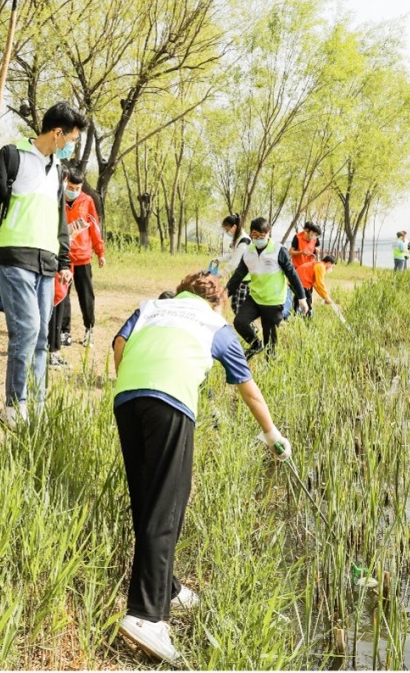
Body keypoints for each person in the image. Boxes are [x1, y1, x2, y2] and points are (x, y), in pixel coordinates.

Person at [111, 271, 291, 665]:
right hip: (170, 401)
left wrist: (129, 379)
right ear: (219, 302)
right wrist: (272, 435)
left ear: (182, 293)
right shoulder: (216, 324)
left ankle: (168, 588)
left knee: (147, 498)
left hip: (127, 399)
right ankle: (145, 616)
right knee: (168, 504)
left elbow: (119, 342)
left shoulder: (152, 307)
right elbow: (247, 387)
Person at [0, 101, 87, 424]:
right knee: (27, 330)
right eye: (71, 138)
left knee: (44, 335)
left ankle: (37, 404)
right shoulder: (12, 155)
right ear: (57, 133)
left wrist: (62, 260)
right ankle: (15, 405)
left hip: (46, 261)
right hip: (15, 254)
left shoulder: (57, 169)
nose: (72, 146)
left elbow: (59, 219)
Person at [226, 217, 308, 359]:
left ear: (268, 233)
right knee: (240, 322)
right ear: (250, 234)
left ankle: (270, 365)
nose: (257, 239)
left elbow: (292, 274)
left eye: (261, 236)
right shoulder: (249, 252)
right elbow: (238, 276)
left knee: (269, 339)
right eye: (254, 235)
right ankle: (256, 344)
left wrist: (302, 298)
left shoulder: (278, 250)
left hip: (273, 301)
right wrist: (223, 294)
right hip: (255, 297)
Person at [60, 166, 106, 348]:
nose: (73, 191)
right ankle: (64, 331)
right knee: (63, 296)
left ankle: (89, 329)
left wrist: (100, 252)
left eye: (77, 188)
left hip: (83, 258)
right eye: (70, 187)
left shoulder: (87, 201)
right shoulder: (57, 200)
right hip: (63, 257)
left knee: (86, 295)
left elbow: (94, 229)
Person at [216, 213, 251, 313]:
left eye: (227, 229)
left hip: (245, 279)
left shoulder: (244, 241)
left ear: (234, 227)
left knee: (240, 310)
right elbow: (232, 255)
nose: (227, 232)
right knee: (235, 306)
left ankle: (251, 328)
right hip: (237, 277)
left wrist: (219, 275)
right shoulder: (238, 239)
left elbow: (234, 263)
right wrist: (218, 259)